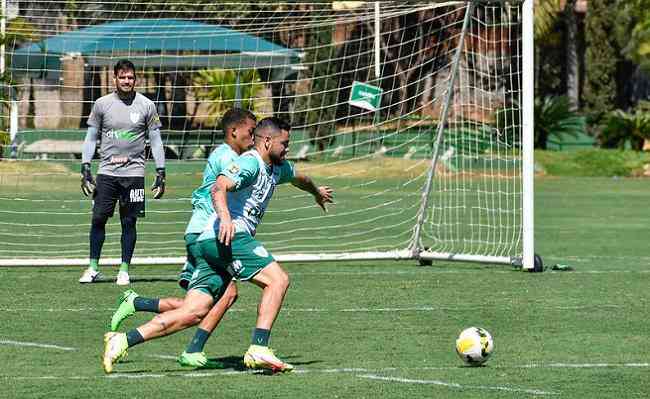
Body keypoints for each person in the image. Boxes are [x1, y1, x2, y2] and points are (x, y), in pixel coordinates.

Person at [102, 117, 333, 374]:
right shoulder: (249, 163)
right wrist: (225, 218)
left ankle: (122, 340)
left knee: (194, 312)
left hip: (210, 243)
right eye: (285, 143)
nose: (287, 148)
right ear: (267, 141)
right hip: (225, 237)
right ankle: (259, 347)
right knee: (277, 280)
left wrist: (316, 192)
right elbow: (219, 186)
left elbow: (299, 177)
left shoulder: (277, 167)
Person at [109, 108, 257, 368]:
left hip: (202, 231)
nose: (253, 137)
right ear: (234, 131)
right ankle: (190, 349)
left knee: (203, 302)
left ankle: (137, 304)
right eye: (250, 131)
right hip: (205, 232)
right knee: (218, 298)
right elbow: (219, 187)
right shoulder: (227, 157)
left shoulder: (230, 155)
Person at [78, 59, 166, 286]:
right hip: (106, 174)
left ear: (135, 79)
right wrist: (85, 166)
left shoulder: (147, 105)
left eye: (130, 77)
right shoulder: (101, 104)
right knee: (98, 219)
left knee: (129, 222)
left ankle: (124, 270)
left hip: (135, 175)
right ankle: (93, 267)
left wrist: (160, 171)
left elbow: (155, 141)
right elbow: (91, 137)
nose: (127, 81)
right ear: (115, 78)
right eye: (122, 77)